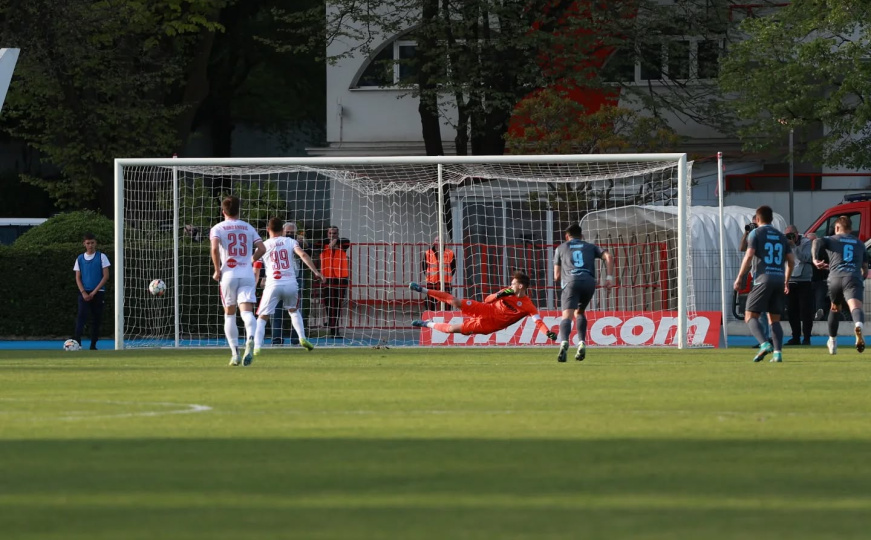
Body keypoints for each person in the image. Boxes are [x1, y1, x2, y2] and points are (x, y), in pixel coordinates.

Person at [408, 270, 558, 342]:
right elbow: (487, 300)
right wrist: (499, 295)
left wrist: (547, 333)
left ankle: (427, 323)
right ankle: (423, 289)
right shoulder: (506, 292)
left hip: (487, 325)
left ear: (520, 286)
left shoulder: (528, 306)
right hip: (485, 308)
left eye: (513, 284)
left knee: (452, 329)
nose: (510, 285)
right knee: (455, 301)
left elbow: (538, 321)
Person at [252, 218, 324, 355]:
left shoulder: (263, 245)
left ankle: (256, 346)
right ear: (282, 230)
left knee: (263, 316)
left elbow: (256, 267)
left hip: (272, 284)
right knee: (294, 311)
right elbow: (303, 254)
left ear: (268, 230)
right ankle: (302, 338)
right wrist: (316, 272)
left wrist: (252, 285)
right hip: (290, 283)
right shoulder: (291, 241)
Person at [733, 205, 794, 363]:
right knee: (774, 319)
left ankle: (764, 344)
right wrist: (786, 280)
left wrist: (740, 277)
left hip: (762, 279)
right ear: (772, 219)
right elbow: (791, 261)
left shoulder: (755, 233)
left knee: (749, 315)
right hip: (779, 279)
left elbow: (748, 256)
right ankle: (778, 353)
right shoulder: (781, 236)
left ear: (757, 219)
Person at [210, 195, 266, 366]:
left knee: (229, 313)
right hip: (247, 274)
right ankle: (250, 337)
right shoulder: (247, 227)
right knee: (247, 313)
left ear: (223, 211)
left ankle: (235, 353)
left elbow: (214, 248)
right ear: (238, 211)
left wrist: (217, 270)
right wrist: (251, 259)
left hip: (228, 275)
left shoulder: (218, 228)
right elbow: (262, 248)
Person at [552, 223, 615, 363]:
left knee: (567, 316)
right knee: (579, 312)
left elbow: (556, 276)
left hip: (571, 282)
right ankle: (581, 342)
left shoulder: (560, 248)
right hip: (588, 281)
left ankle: (564, 342)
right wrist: (609, 278)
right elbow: (609, 257)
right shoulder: (590, 246)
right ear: (581, 236)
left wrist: (567, 278)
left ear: (567, 236)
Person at [812, 215, 869, 355]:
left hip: (835, 278)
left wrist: (815, 259)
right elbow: (865, 270)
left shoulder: (831, 239)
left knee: (835, 308)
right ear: (850, 228)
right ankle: (858, 326)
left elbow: (816, 241)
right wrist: (858, 278)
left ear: (837, 227)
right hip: (852, 277)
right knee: (855, 307)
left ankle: (832, 341)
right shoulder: (860, 243)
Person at [268, 221, 310, 345]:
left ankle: (296, 339)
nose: (290, 235)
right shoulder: (275, 242)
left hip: (295, 278)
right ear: (282, 231)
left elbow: (308, 251)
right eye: (288, 232)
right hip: (277, 278)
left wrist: (303, 243)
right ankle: (276, 339)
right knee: (275, 310)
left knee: (296, 310)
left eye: (292, 233)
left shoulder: (296, 243)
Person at [72, 232, 111, 350]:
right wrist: (83, 292)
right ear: (84, 244)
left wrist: (94, 292)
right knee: (81, 317)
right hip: (84, 293)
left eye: (92, 243)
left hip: (98, 293)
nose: (90, 245)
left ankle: (93, 344)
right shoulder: (79, 258)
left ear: (96, 243)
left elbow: (105, 276)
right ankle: (77, 343)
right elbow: (78, 277)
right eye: (88, 243)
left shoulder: (101, 257)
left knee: (96, 319)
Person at [739, 213, 772, 347]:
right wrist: (747, 233)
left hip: (764, 276)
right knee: (760, 311)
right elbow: (742, 248)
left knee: (760, 311)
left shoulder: (764, 236)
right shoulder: (753, 236)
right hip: (757, 277)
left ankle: (766, 339)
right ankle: (765, 338)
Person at [784, 225, 814, 345]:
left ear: (797, 234)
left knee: (805, 311)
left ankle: (807, 338)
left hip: (804, 281)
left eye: (792, 235)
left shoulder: (806, 242)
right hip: (790, 279)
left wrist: (794, 246)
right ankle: (795, 337)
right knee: (791, 311)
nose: (790, 237)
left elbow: (805, 257)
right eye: (788, 235)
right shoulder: (785, 243)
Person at [319, 226, 350, 338]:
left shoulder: (343, 243)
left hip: (341, 278)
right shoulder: (323, 244)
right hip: (327, 278)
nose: (332, 235)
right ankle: (332, 325)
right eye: (330, 233)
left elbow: (347, 241)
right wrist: (330, 243)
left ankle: (334, 327)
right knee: (328, 304)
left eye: (335, 233)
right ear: (327, 234)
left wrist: (335, 241)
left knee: (337, 304)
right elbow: (317, 244)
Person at [422, 236, 456, 313]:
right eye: (436, 242)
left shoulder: (450, 253)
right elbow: (424, 267)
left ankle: (447, 314)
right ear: (434, 243)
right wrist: (430, 276)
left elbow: (453, 267)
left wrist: (447, 276)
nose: (438, 243)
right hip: (431, 281)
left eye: (440, 242)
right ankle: (430, 314)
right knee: (430, 301)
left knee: (447, 301)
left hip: (446, 281)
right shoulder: (428, 253)